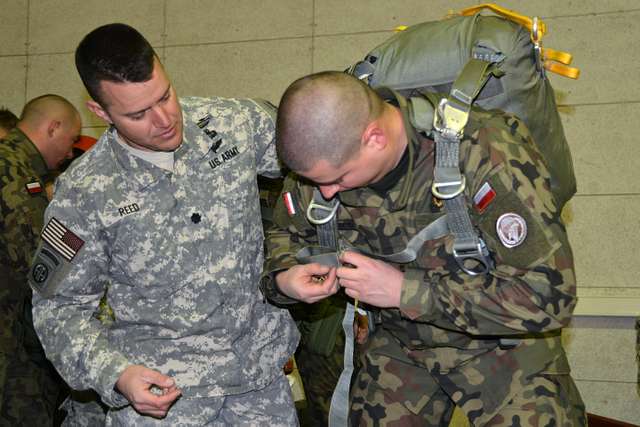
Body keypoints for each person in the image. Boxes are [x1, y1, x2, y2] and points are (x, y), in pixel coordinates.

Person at [261, 71, 587, 426]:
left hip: (504, 345)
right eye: (316, 182)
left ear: (374, 137)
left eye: (337, 179)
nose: (325, 194)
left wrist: (405, 291)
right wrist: (284, 279)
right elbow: (286, 233)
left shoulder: (484, 151)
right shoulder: (323, 167)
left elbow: (548, 294)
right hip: (402, 345)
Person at [28, 23, 299, 426]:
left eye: (165, 95)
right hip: (163, 399)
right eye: (138, 114)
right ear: (100, 113)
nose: (165, 119)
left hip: (258, 386)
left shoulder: (232, 124)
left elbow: (320, 163)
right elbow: (57, 310)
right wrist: (115, 374)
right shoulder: (84, 192)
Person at [1, 94, 80, 425]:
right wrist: (81, 236)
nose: (71, 150)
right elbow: (37, 259)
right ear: (53, 127)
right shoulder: (13, 171)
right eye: (72, 139)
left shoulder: (17, 167)